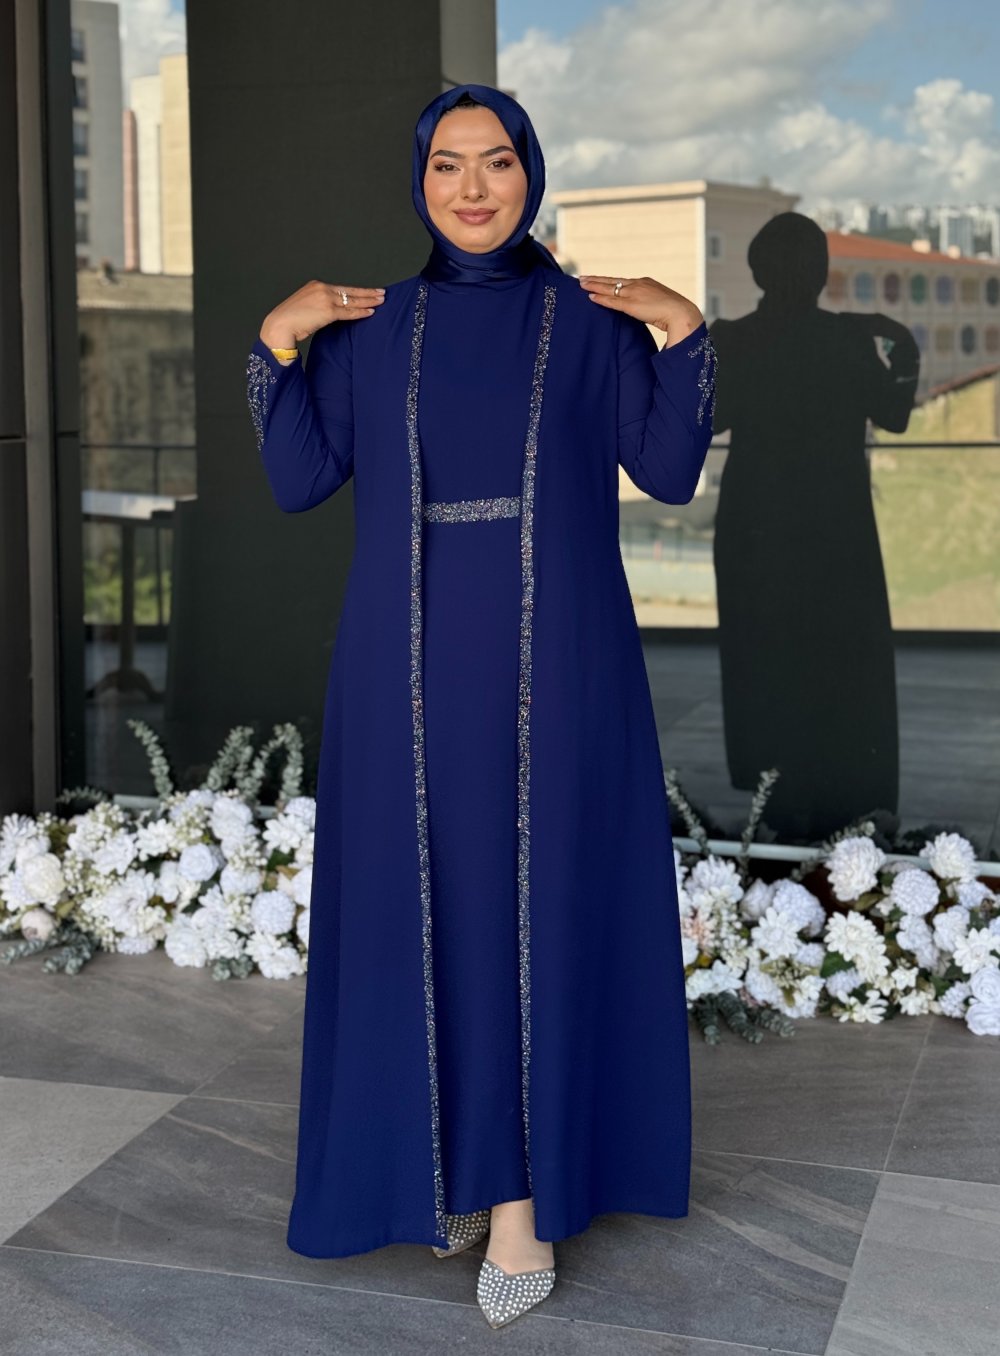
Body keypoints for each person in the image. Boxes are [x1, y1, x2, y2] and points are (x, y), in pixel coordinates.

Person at [246, 82, 716, 1330]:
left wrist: (680, 330)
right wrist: (279, 339)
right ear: (419, 183)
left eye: (496, 162)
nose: (471, 186)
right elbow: (297, 479)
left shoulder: (589, 320)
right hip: (402, 675)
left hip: (559, 662)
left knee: (532, 907)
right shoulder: (374, 326)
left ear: (530, 174)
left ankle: (520, 1203)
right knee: (435, 909)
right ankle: (450, 1168)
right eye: (447, 164)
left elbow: (669, 473)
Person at [709, 212, 919, 841]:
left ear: (758, 271)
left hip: (755, 525)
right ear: (821, 272)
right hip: (836, 524)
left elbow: (710, 420)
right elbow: (896, 414)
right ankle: (844, 800)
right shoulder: (847, 339)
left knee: (764, 657)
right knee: (841, 658)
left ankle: (774, 797)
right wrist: (901, 344)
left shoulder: (734, 339)